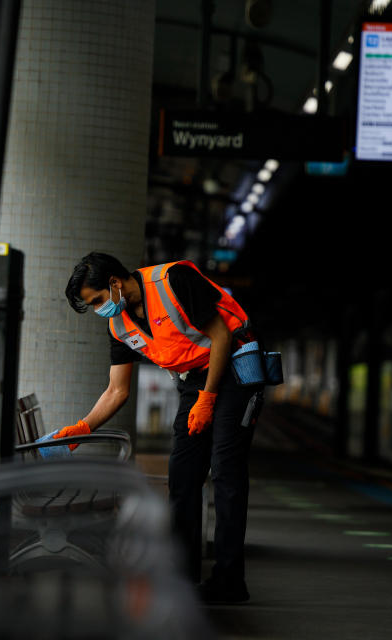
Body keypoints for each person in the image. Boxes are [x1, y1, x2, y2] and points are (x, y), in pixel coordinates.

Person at [60, 252, 257, 604]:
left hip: (234, 370)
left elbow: (222, 337)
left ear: (115, 284)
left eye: (98, 300)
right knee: (183, 475)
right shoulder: (119, 326)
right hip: (193, 382)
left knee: (226, 472)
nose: (98, 309)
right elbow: (117, 390)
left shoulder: (174, 280)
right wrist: (83, 427)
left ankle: (229, 581)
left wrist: (208, 397)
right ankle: (181, 578)